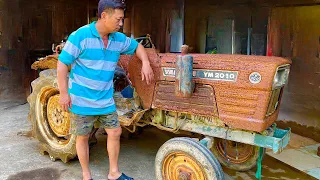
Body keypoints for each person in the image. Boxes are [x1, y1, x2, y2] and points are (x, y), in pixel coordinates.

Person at [57, 0, 154, 179]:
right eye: (118, 19)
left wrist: (146, 63)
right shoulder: (81, 35)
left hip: (105, 99)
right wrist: (64, 94)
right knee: (83, 136)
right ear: (104, 16)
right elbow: (62, 64)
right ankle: (86, 175)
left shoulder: (118, 39)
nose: (121, 23)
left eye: (122, 19)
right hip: (82, 99)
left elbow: (138, 46)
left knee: (115, 131)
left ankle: (113, 173)